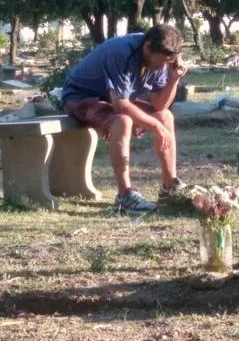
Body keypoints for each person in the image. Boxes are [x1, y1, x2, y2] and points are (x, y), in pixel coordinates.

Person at [62, 24, 188, 214]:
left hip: (112, 99)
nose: (162, 67)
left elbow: (160, 105)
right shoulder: (121, 53)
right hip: (81, 98)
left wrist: (174, 80)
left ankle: (169, 186)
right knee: (123, 121)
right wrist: (155, 126)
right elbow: (121, 106)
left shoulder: (161, 56)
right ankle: (124, 195)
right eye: (159, 64)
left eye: (166, 63)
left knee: (165, 117)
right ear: (147, 47)